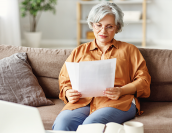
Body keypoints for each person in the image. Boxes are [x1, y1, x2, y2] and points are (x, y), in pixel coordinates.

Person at [52, 2, 151, 131]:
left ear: (117, 27)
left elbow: (143, 81)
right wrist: (67, 92)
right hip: (83, 102)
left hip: (119, 101)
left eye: (109, 26)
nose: (103, 31)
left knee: (92, 123)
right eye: (98, 25)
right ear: (92, 25)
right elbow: (65, 80)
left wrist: (121, 91)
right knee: (63, 122)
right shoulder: (79, 51)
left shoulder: (129, 50)